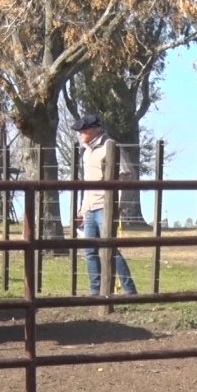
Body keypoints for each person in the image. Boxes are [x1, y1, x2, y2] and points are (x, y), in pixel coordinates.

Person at [73, 113, 137, 296]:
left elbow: (126, 175)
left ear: (95, 130)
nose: (81, 134)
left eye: (83, 130)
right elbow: (88, 184)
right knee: (90, 252)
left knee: (110, 250)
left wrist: (118, 204)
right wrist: (82, 210)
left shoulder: (110, 147)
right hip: (91, 208)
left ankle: (129, 291)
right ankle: (96, 293)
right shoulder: (86, 152)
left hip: (105, 207)